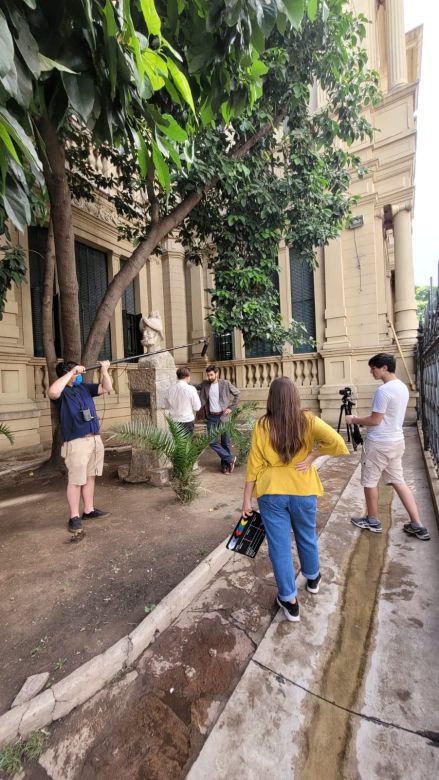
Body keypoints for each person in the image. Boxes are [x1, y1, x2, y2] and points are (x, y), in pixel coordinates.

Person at [242, 377, 349, 622]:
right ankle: (312, 577)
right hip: (303, 488)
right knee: (306, 535)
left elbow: (253, 466)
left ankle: (289, 600)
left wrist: (246, 500)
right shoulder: (307, 420)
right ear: (294, 397)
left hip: (271, 492)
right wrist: (313, 455)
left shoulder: (262, 425)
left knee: (279, 547)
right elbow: (339, 443)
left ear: (272, 398)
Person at [346, 353, 430, 541]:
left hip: (379, 443)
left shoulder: (383, 391)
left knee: (369, 481)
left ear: (384, 368)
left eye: (373, 368)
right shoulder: (402, 387)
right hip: (396, 441)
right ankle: (418, 524)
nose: (371, 371)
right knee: (398, 480)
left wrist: (354, 419)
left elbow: (375, 420)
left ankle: (372, 520)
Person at [48, 360, 113, 538]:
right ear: (66, 374)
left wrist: (104, 370)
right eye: (76, 373)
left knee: (90, 476)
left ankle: (89, 510)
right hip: (76, 442)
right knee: (76, 480)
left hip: (94, 439)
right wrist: (71, 373)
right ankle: (74, 516)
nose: (79, 376)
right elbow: (52, 392)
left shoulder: (84, 388)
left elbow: (106, 388)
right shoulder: (61, 392)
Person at [197, 365, 240, 473]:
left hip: (224, 416)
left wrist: (231, 408)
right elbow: (194, 387)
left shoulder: (225, 383)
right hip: (211, 417)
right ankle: (230, 459)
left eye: (211, 375)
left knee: (225, 442)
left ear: (217, 373)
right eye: (208, 375)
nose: (209, 377)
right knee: (211, 441)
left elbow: (237, 394)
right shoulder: (205, 384)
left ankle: (225, 466)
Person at [164, 367, 201, 435]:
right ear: (187, 376)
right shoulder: (191, 389)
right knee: (187, 444)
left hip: (174, 422)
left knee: (177, 444)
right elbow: (197, 407)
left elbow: (166, 406)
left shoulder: (169, 389)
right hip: (187, 421)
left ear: (178, 376)